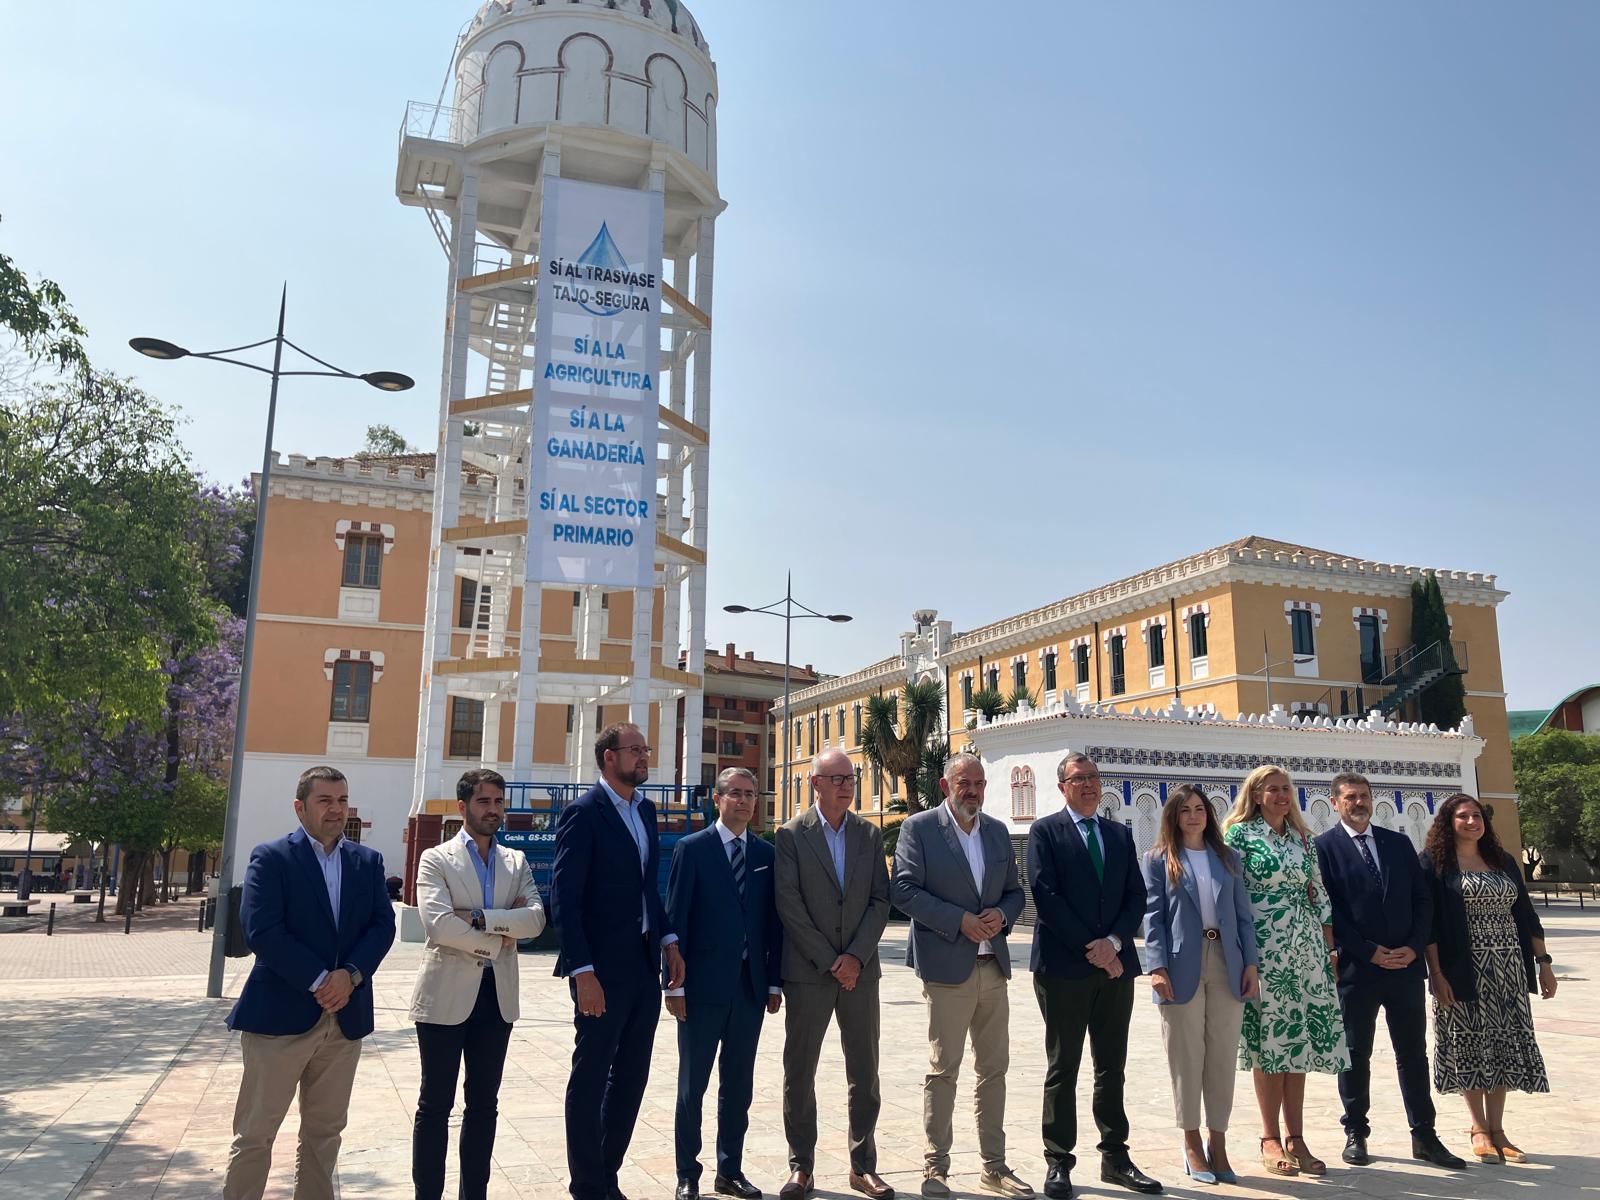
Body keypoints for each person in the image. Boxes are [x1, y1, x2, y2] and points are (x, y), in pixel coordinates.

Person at [223, 766, 396, 1200]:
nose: (336, 810)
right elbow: (262, 930)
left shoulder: (367, 862)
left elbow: (382, 925)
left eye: (342, 801)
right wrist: (322, 980)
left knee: (324, 1135)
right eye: (325, 801)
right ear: (300, 807)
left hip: (345, 1020)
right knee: (255, 1134)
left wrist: (350, 976)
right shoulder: (272, 857)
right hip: (279, 1019)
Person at [552, 722, 686, 1200]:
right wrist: (581, 970)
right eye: (635, 750)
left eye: (645, 749)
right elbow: (565, 898)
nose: (644, 757)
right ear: (609, 757)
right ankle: (587, 1185)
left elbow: (647, 886)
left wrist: (669, 938)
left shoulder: (645, 811)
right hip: (600, 971)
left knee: (631, 1077)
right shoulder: (583, 813)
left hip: (643, 964)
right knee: (591, 1076)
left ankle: (605, 1176)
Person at [891, 753, 1032, 1199]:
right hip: (948, 968)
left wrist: (1001, 916)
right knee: (943, 1070)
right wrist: (959, 920)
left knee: (994, 1071)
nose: (972, 790)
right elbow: (904, 889)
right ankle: (936, 1168)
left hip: (993, 966)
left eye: (979, 783)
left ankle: (994, 1166)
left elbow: (1014, 892)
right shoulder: (919, 829)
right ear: (944, 784)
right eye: (963, 782)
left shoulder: (994, 831)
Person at [1028, 752, 1161, 1198]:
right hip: (1065, 968)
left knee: (1112, 1066)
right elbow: (1048, 899)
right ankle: (1059, 1159)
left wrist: (1117, 944)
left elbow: (1135, 896)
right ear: (1063, 786)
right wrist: (1096, 949)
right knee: (1063, 1065)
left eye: (1094, 778)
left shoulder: (1118, 834)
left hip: (1116, 969)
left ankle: (1115, 1157)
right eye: (1078, 778)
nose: (1088, 785)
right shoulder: (1046, 832)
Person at [1314, 772, 1463, 1171]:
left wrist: (1413, 949)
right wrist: (1367, 951)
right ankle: (1355, 1131)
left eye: (1364, 796)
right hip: (1358, 970)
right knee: (1355, 1052)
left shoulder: (1398, 844)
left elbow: (1421, 900)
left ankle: (1424, 1135)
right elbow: (1330, 911)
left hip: (1404, 969)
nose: (1359, 803)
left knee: (1412, 1053)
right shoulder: (1323, 849)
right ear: (1335, 803)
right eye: (1350, 797)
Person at [409, 768, 547, 1199]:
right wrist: (496, 941)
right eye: (485, 801)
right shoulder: (436, 858)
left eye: (499, 802)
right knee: (435, 1106)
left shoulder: (515, 861)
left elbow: (537, 921)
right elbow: (439, 926)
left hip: (497, 999)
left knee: (484, 1106)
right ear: (462, 806)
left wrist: (479, 917)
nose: (494, 810)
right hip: (444, 998)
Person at [774, 747, 893, 1200]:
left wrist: (856, 957)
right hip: (809, 973)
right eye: (838, 778)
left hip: (860, 973)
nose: (847, 785)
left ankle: (863, 1166)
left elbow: (880, 901)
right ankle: (800, 1166)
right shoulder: (791, 835)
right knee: (800, 1072)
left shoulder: (869, 833)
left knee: (865, 1071)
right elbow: (789, 904)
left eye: (851, 777)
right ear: (815, 783)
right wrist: (830, 960)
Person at [1221, 764, 1348, 1179]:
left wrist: (1329, 949)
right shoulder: (1238, 836)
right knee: (1271, 1044)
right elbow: (1232, 897)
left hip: (1306, 950)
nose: (1281, 796)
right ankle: (1269, 1136)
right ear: (1256, 795)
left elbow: (1320, 893)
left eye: (1286, 789)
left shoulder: (1303, 839)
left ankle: (1297, 1137)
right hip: (1266, 950)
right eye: (1273, 790)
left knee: (1300, 1042)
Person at [664, 767, 784, 1200]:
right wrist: (672, 986)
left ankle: (729, 1170)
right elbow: (674, 920)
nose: (745, 801)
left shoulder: (766, 854)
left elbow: (773, 924)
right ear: (717, 799)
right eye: (735, 793)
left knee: (738, 1086)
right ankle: (687, 1174)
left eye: (751, 794)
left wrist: (773, 982)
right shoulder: (691, 849)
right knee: (692, 1087)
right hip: (700, 990)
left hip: (749, 991)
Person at [1420, 793, 1555, 1165]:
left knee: (1502, 1044)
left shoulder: (1502, 861)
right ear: (1449, 823)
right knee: (1470, 1044)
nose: (1471, 822)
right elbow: (1429, 925)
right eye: (1462, 816)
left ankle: (1499, 1130)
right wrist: (1436, 973)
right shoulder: (1435, 865)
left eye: (1476, 815)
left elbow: (1526, 914)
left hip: (1508, 968)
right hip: (1461, 970)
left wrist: (1543, 963)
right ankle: (1478, 1128)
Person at [1141, 783, 1259, 1186]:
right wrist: (1156, 967)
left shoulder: (1228, 858)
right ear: (1174, 817)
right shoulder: (1159, 859)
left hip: (1227, 962)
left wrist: (1251, 965)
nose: (1194, 816)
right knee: (1186, 1056)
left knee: (1222, 1057)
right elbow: (1153, 917)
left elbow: (1244, 916)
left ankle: (1218, 1141)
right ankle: (1191, 1140)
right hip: (1179, 966)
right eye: (1185, 810)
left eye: (1200, 809)